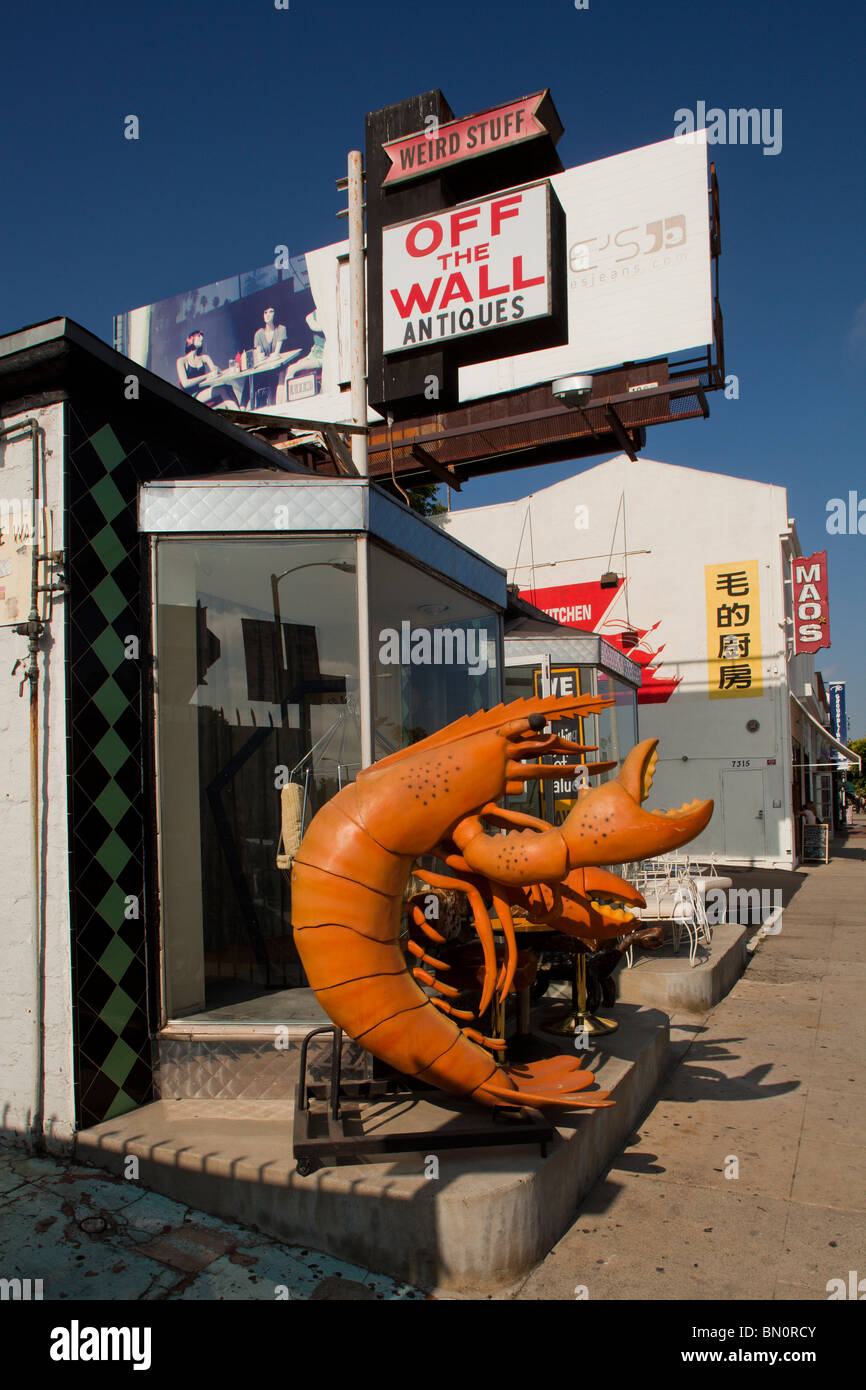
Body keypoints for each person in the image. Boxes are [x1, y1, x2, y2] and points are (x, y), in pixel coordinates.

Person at [176, 331, 239, 408]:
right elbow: (185, 384)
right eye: (198, 336)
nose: (201, 338)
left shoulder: (204, 358)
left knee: (228, 387)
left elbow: (214, 370)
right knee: (222, 389)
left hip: (205, 391)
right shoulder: (182, 361)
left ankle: (239, 412)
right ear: (190, 339)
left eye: (202, 337)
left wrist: (216, 370)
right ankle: (239, 416)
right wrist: (206, 376)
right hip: (193, 395)